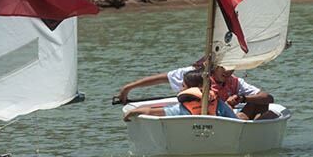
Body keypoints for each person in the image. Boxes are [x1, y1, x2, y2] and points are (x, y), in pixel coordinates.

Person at [116, 60, 276, 120]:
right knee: (268, 114)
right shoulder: (196, 74)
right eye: (224, 68)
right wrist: (128, 88)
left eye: (231, 69)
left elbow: (152, 111)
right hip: (223, 120)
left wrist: (242, 99)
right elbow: (162, 78)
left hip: (223, 119)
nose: (228, 72)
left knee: (263, 104)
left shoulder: (235, 83)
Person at [122, 70, 240, 121]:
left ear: (191, 89)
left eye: (183, 86)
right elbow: (235, 121)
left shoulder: (181, 109)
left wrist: (132, 112)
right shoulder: (219, 105)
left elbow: (150, 112)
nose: (181, 89)